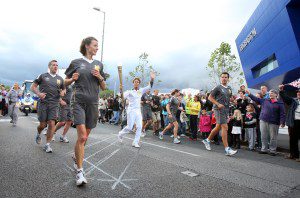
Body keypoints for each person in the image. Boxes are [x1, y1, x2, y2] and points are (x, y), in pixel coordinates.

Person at [64, 37, 106, 186]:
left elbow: (104, 87)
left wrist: (100, 77)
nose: (97, 48)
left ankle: (76, 156)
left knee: (85, 137)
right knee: (82, 137)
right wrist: (72, 79)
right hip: (78, 101)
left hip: (93, 103)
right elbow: (65, 81)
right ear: (87, 46)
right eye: (95, 45)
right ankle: (80, 172)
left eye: (97, 46)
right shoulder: (76, 62)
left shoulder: (99, 64)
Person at [31, 60, 65, 152]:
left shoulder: (60, 79)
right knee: (42, 125)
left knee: (51, 123)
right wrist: (39, 94)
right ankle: (38, 133)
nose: (55, 66)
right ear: (49, 66)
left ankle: (47, 144)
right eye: (53, 65)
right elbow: (33, 87)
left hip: (54, 104)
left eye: (57, 65)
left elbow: (63, 90)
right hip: (43, 103)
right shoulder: (42, 76)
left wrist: (62, 92)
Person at [202, 72, 237, 156]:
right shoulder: (218, 87)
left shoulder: (229, 88)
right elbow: (210, 97)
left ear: (228, 79)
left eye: (226, 77)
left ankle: (207, 140)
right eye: (222, 77)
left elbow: (229, 98)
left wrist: (233, 101)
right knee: (225, 127)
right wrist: (217, 104)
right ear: (220, 78)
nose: (224, 78)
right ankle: (227, 149)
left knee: (218, 127)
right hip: (218, 109)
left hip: (226, 109)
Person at [118, 72, 155, 148]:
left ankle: (135, 142)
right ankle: (120, 133)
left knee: (139, 126)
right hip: (131, 110)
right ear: (133, 83)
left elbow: (149, 86)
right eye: (135, 82)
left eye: (138, 82)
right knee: (129, 127)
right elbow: (122, 97)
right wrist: (121, 90)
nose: (136, 83)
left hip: (138, 111)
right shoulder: (129, 91)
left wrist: (152, 79)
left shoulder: (141, 90)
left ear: (139, 83)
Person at [246, 89, 285, 156]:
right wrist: (249, 94)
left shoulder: (280, 103)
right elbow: (256, 99)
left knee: (273, 137)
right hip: (263, 120)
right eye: (269, 93)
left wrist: (282, 122)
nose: (270, 94)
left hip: (274, 122)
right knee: (263, 135)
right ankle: (264, 149)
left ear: (276, 95)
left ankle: (272, 150)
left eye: (272, 93)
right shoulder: (265, 100)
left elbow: (282, 114)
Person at [279, 85, 300, 161]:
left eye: (299, 92)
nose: (298, 93)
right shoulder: (293, 101)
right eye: (297, 92)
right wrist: (281, 90)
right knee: (293, 139)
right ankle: (293, 155)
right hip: (293, 122)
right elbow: (285, 98)